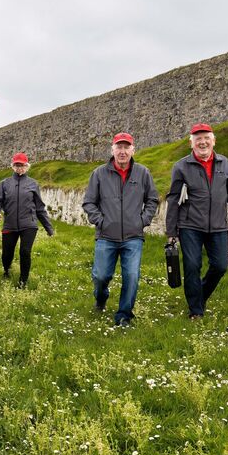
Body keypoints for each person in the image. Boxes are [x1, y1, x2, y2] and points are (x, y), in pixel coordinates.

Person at [165, 123, 228, 320]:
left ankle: (200, 295)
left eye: (206, 138)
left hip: (218, 225)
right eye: (198, 139)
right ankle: (196, 311)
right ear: (191, 143)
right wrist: (171, 231)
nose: (202, 142)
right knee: (192, 266)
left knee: (221, 265)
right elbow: (173, 199)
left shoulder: (225, 164)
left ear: (213, 141)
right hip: (190, 225)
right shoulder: (181, 167)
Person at [82, 132, 159, 326]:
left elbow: (152, 200)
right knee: (100, 277)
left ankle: (124, 316)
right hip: (106, 236)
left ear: (133, 150)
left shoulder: (143, 173)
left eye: (126, 147)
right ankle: (101, 298)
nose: (122, 151)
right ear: (112, 150)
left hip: (133, 236)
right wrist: (101, 221)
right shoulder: (99, 173)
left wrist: (142, 221)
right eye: (119, 147)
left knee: (131, 277)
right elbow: (89, 202)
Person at [0, 152, 54, 288]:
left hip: (29, 224)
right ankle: (7, 270)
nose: (20, 168)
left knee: (25, 252)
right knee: (7, 254)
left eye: (22, 165)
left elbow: (40, 208)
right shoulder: (4, 184)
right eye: (17, 165)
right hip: (10, 224)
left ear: (27, 167)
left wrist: (49, 228)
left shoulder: (33, 184)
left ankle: (23, 281)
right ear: (13, 166)